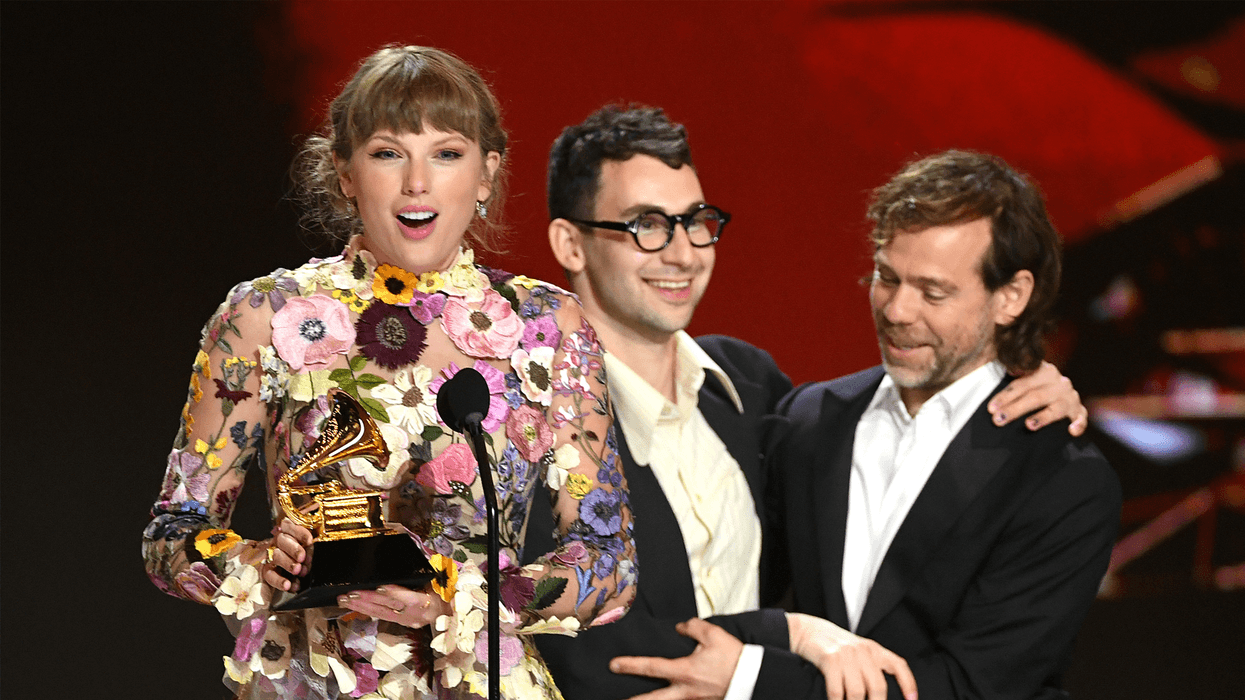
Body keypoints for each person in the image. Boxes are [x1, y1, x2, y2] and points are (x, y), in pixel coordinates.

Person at [523, 107, 1090, 700]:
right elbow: (583, 647)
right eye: (646, 225)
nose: (684, 253)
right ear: (571, 243)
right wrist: (790, 634)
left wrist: (1016, 374)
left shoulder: (750, 390)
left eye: (695, 221)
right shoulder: (534, 421)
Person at [142, 46, 636, 700]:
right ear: (344, 173)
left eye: (446, 153)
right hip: (308, 680)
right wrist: (259, 563)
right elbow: (171, 535)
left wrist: (464, 597)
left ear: (487, 174)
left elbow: (610, 564)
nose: (416, 183)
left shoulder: (550, 327)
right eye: (386, 153)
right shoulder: (264, 316)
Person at [719, 150, 1120, 699]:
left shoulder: (1062, 480)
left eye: (933, 292)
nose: (897, 311)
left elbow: (973, 688)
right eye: (887, 277)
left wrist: (748, 682)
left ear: (1012, 297)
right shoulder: (809, 419)